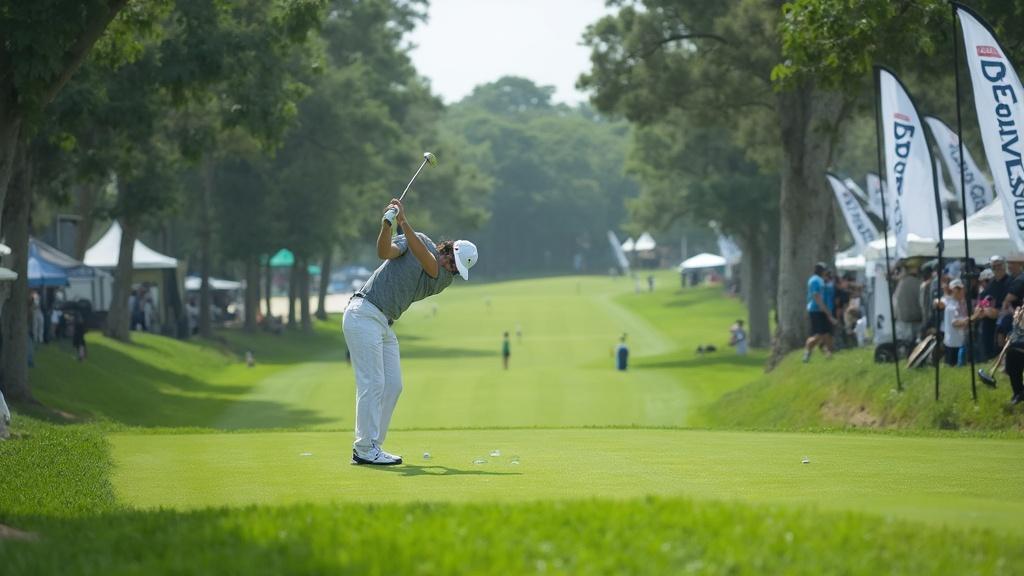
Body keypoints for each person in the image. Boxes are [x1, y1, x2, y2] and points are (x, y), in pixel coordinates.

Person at [343, 198, 478, 466]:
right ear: (449, 251)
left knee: (393, 385)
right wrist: (387, 226)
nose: (452, 272)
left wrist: (403, 222)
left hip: (383, 322)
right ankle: (364, 448)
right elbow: (385, 252)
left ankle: (373, 446)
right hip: (363, 312)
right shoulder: (420, 240)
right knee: (373, 383)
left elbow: (428, 262)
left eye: (455, 270)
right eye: (453, 265)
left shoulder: (442, 278)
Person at [803, 262, 835, 362]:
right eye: (824, 270)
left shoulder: (820, 280)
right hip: (816, 310)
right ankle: (807, 350)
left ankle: (830, 355)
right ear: (821, 271)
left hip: (821, 310)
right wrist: (826, 311)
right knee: (819, 335)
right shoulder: (815, 281)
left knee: (828, 334)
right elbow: (816, 297)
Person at [936, 279, 968, 367]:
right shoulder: (951, 305)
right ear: (955, 290)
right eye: (961, 290)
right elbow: (955, 323)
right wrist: (970, 319)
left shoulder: (960, 303)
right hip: (953, 343)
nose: (963, 292)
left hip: (959, 341)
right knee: (952, 366)